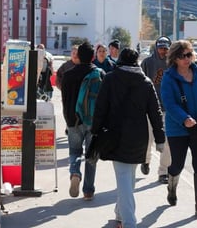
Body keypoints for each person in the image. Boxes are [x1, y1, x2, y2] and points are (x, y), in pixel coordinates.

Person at [91, 48, 165, 228]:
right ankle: (119, 213)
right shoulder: (146, 82)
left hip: (115, 135)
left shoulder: (110, 79)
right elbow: (155, 112)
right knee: (129, 177)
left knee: (124, 178)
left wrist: (95, 130)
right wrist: (160, 138)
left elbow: (100, 107)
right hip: (139, 136)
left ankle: (129, 222)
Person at [160, 40, 197, 220]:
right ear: (175, 58)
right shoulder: (169, 77)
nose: (187, 59)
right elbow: (168, 103)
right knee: (178, 164)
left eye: (189, 55)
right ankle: (172, 185)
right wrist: (184, 119)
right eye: (183, 56)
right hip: (178, 128)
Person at [61, 42, 105, 200]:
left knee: (75, 151)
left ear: (77, 56)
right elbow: (103, 101)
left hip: (74, 120)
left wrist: (68, 120)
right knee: (91, 154)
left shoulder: (68, 75)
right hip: (93, 121)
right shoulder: (99, 73)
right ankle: (88, 190)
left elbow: (64, 100)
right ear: (93, 57)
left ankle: (75, 172)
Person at [140, 36, 172, 184]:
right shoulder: (147, 62)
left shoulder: (173, 64)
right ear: (156, 48)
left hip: (167, 108)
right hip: (149, 107)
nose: (163, 51)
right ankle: (145, 160)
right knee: (147, 138)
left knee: (166, 142)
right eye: (161, 48)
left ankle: (163, 171)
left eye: (166, 48)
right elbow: (140, 82)